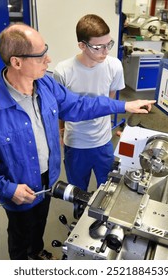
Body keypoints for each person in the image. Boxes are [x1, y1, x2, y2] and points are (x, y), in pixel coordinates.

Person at [0, 22, 155, 260]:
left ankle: (37, 252)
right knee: (22, 233)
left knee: (40, 222)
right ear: (17, 62)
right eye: (40, 55)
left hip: (46, 179)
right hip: (18, 189)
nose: (48, 59)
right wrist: (7, 189)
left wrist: (124, 105)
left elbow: (79, 105)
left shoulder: (45, 85)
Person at [53, 14, 124, 192]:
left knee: (107, 191)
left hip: (103, 141)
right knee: (77, 193)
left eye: (109, 44)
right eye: (99, 47)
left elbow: (109, 102)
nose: (106, 51)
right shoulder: (63, 70)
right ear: (82, 45)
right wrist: (61, 130)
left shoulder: (114, 66)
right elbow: (62, 108)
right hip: (76, 143)